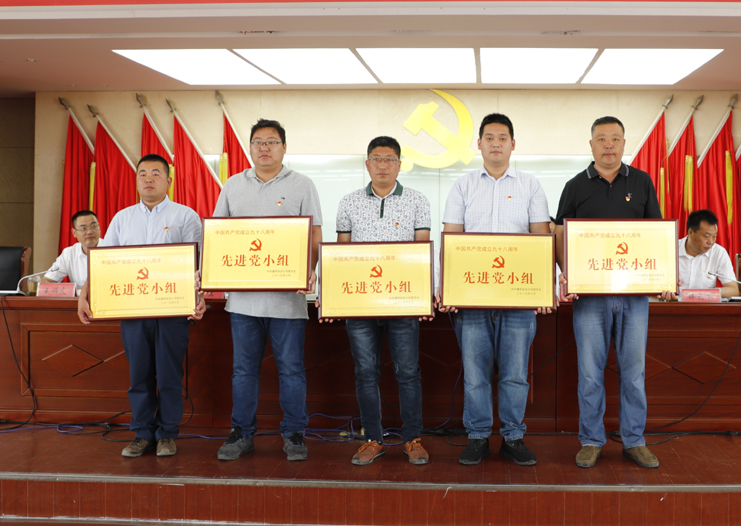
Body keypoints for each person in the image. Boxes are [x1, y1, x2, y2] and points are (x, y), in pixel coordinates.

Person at [438, 113, 551, 466]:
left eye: (503, 137)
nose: (496, 143)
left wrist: (545, 288)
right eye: (489, 137)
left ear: (513, 144)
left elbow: (542, 239)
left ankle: (513, 437)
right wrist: (446, 287)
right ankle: (477, 437)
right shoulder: (463, 186)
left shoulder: (531, 185)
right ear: (479, 144)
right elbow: (451, 239)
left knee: (515, 375)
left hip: (518, 299)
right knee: (476, 375)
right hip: (472, 298)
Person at [77, 153, 205, 458]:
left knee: (170, 376)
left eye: (156, 173)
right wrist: (84, 294)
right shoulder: (122, 218)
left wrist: (199, 298)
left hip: (172, 311)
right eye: (143, 173)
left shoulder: (185, 216)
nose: (149, 178)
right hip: (133, 311)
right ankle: (142, 434)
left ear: (168, 181)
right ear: (136, 180)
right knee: (140, 376)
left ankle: (167, 434)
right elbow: (104, 263)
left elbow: (198, 265)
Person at [555, 116, 662, 469]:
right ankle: (591, 439)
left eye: (615, 138)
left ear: (623, 143)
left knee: (634, 372)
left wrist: (661, 276)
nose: (608, 145)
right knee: (590, 372)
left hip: (634, 295)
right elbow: (560, 234)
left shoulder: (642, 181)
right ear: (591, 145)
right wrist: (567, 275)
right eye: (601, 139)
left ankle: (634, 440)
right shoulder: (574, 186)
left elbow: (655, 234)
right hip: (589, 297)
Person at [213, 119, 322, 462]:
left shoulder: (302, 184)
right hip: (243, 303)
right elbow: (218, 235)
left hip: (288, 302)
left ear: (284, 148)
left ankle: (294, 433)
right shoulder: (233, 185)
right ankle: (242, 433)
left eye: (272, 141)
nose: (264, 147)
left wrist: (310, 270)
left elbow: (314, 235)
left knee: (291, 370)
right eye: (258, 141)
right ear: (250, 147)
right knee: (243, 371)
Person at [329, 136, 431, 466]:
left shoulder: (417, 201)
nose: (383, 165)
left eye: (389, 159)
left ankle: (412, 439)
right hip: (360, 303)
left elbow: (422, 251)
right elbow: (341, 253)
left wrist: (424, 296)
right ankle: (372, 439)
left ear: (400, 165)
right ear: (367, 164)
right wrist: (334, 298)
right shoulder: (348, 202)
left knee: (408, 372)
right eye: (376, 158)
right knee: (365, 372)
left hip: (403, 302)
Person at [674, 209, 739, 298]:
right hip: (674, 305)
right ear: (690, 232)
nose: (711, 242)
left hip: (705, 306)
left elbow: (733, 290)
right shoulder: (671, 249)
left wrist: (702, 293)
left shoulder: (718, 253)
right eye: (706, 236)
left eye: (714, 236)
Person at [43, 210, 103, 293]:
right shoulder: (69, 253)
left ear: (99, 228)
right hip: (78, 300)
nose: (89, 232)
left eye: (93, 226)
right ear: (74, 233)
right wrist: (72, 291)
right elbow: (46, 281)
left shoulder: (112, 250)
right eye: (83, 228)